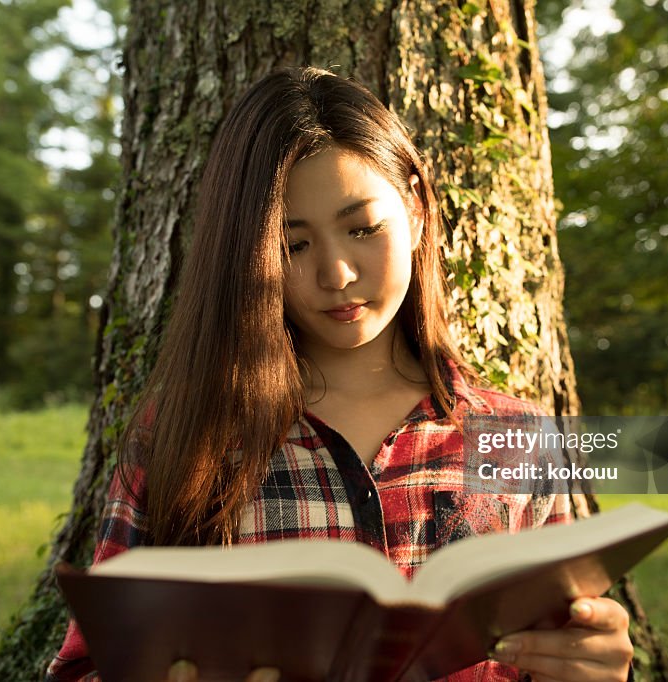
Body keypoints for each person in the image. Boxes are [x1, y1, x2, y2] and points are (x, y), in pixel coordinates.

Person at [45, 66, 634, 682]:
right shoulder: (185, 434)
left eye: (362, 228)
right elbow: (86, 666)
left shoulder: (517, 436)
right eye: (292, 246)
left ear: (415, 207)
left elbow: (557, 644)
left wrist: (592, 667)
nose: (337, 274)